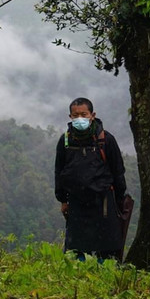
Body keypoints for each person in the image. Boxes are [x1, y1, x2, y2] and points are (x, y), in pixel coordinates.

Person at [55, 97, 128, 261]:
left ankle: (106, 276)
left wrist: (119, 198)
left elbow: (118, 171)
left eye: (84, 114)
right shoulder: (65, 141)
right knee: (77, 246)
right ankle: (79, 278)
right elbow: (59, 171)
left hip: (103, 200)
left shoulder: (105, 139)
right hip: (76, 200)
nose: (80, 118)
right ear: (70, 117)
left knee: (106, 245)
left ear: (92, 115)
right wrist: (62, 200)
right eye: (76, 115)